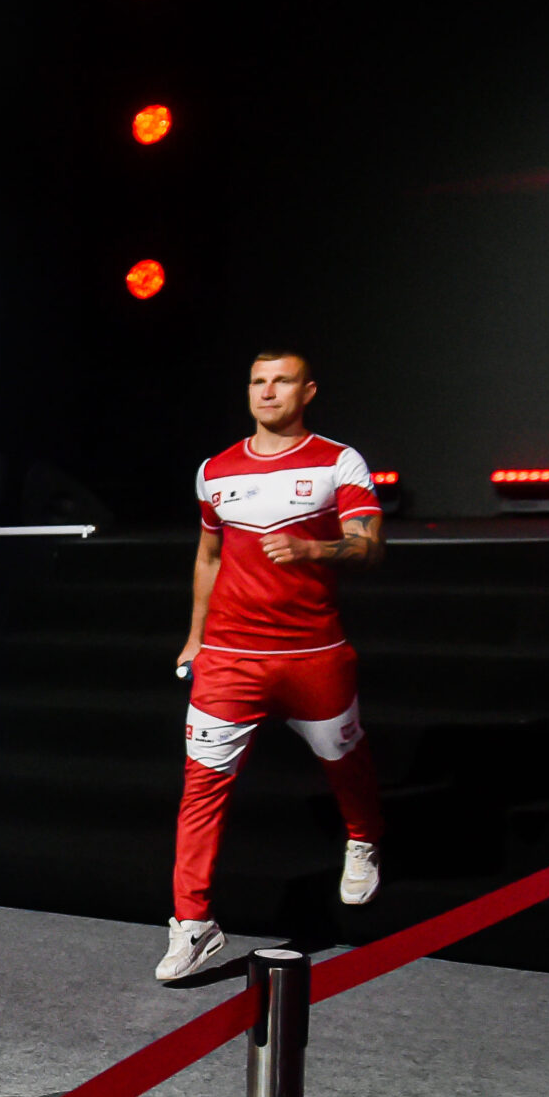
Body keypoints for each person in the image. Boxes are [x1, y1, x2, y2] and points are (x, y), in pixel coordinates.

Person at [159, 350, 386, 982]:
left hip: (313, 655)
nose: (267, 391)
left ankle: (364, 837)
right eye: (257, 381)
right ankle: (193, 923)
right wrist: (195, 639)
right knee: (201, 788)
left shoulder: (338, 461)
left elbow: (370, 547)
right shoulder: (215, 470)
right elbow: (209, 556)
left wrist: (312, 549)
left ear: (307, 391)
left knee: (345, 760)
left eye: (281, 381)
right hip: (230, 658)